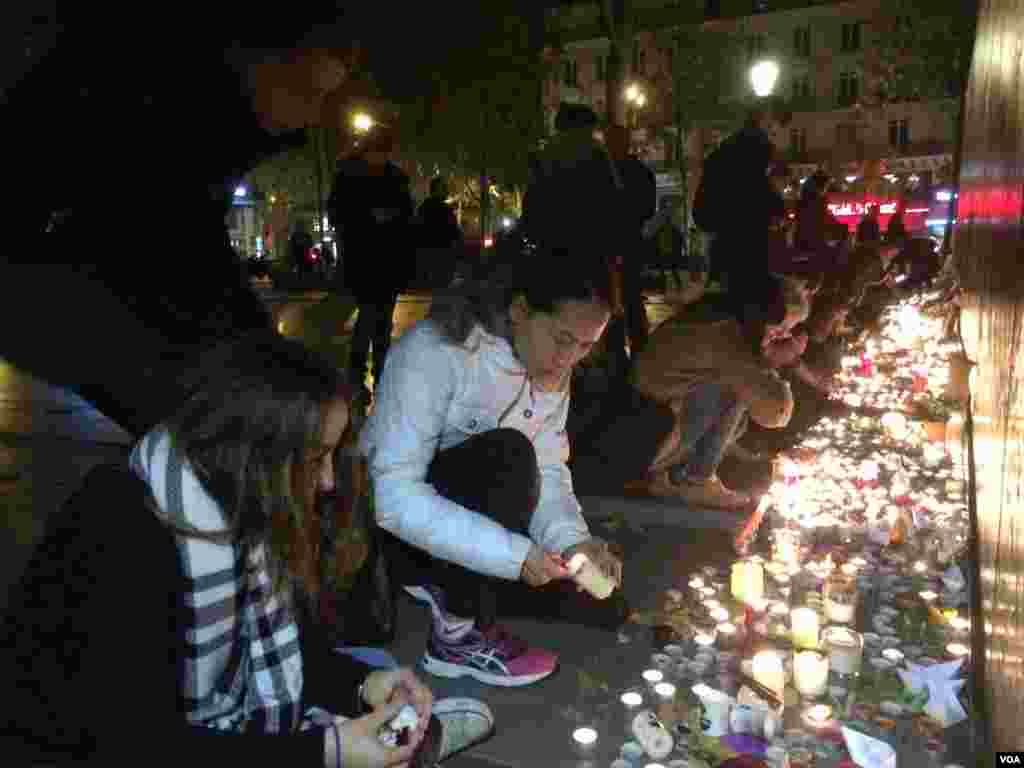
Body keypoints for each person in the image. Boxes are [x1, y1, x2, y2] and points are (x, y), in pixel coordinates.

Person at [1, 333, 494, 766]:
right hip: (74, 751)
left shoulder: (237, 498)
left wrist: (364, 685)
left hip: (179, 728)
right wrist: (328, 753)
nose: (326, 481)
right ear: (253, 451)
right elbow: (138, 747)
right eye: (314, 458)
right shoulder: (125, 532)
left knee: (371, 661)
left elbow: (289, 650)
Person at [3, 18, 357, 436]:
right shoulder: (159, 112)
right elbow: (169, 245)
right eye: (306, 91)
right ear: (258, 61)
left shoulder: (209, 123)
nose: (312, 114)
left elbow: (194, 251)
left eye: (323, 97)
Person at [358, 247, 625, 687]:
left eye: (587, 345)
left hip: (466, 523)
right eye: (563, 340)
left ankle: (464, 592)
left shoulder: (551, 365)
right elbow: (390, 496)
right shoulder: (434, 351)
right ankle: (457, 634)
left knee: (604, 604)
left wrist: (574, 541)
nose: (571, 358)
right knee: (509, 455)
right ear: (520, 310)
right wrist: (515, 557)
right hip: (386, 533)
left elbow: (550, 469)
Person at [625, 273, 804, 510]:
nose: (783, 335)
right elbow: (775, 414)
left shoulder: (718, 319)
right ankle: (696, 479)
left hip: (647, 426)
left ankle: (678, 475)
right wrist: (780, 361)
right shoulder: (725, 337)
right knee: (734, 390)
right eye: (780, 326)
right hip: (644, 438)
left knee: (738, 393)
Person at [328, 128, 416, 399]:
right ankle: (358, 378)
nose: (379, 157)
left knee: (380, 323)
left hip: (383, 262)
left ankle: (378, 375)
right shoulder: (350, 177)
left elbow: (406, 219)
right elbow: (337, 215)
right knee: (369, 320)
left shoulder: (393, 178)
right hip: (364, 261)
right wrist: (369, 219)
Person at [693, 98, 791, 293]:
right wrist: (778, 209)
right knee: (748, 300)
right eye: (775, 125)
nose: (775, 132)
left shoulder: (726, 149)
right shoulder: (755, 145)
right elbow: (755, 184)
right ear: (765, 119)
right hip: (743, 243)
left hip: (723, 239)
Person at [603, 123, 657, 378]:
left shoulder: (605, 172)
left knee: (620, 299)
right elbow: (647, 209)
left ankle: (620, 353)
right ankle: (634, 353)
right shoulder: (639, 172)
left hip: (616, 243)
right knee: (628, 300)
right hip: (627, 242)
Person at [416, 176, 463, 292]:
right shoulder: (444, 210)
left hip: (427, 260)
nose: (447, 190)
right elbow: (454, 234)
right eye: (444, 187)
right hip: (442, 260)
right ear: (437, 189)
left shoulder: (422, 208)